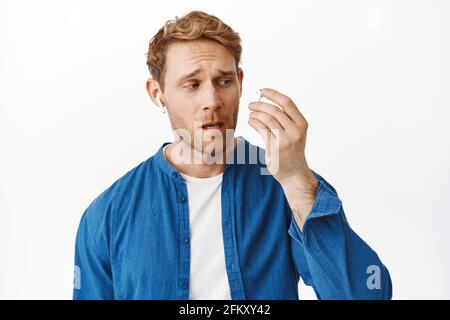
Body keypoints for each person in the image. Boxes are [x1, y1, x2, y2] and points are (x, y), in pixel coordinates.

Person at [73, 10, 392, 300]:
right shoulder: (108, 214)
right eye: (192, 84)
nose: (212, 99)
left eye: (223, 81)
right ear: (158, 93)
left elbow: (366, 297)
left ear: (240, 83)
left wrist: (297, 180)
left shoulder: (284, 183)